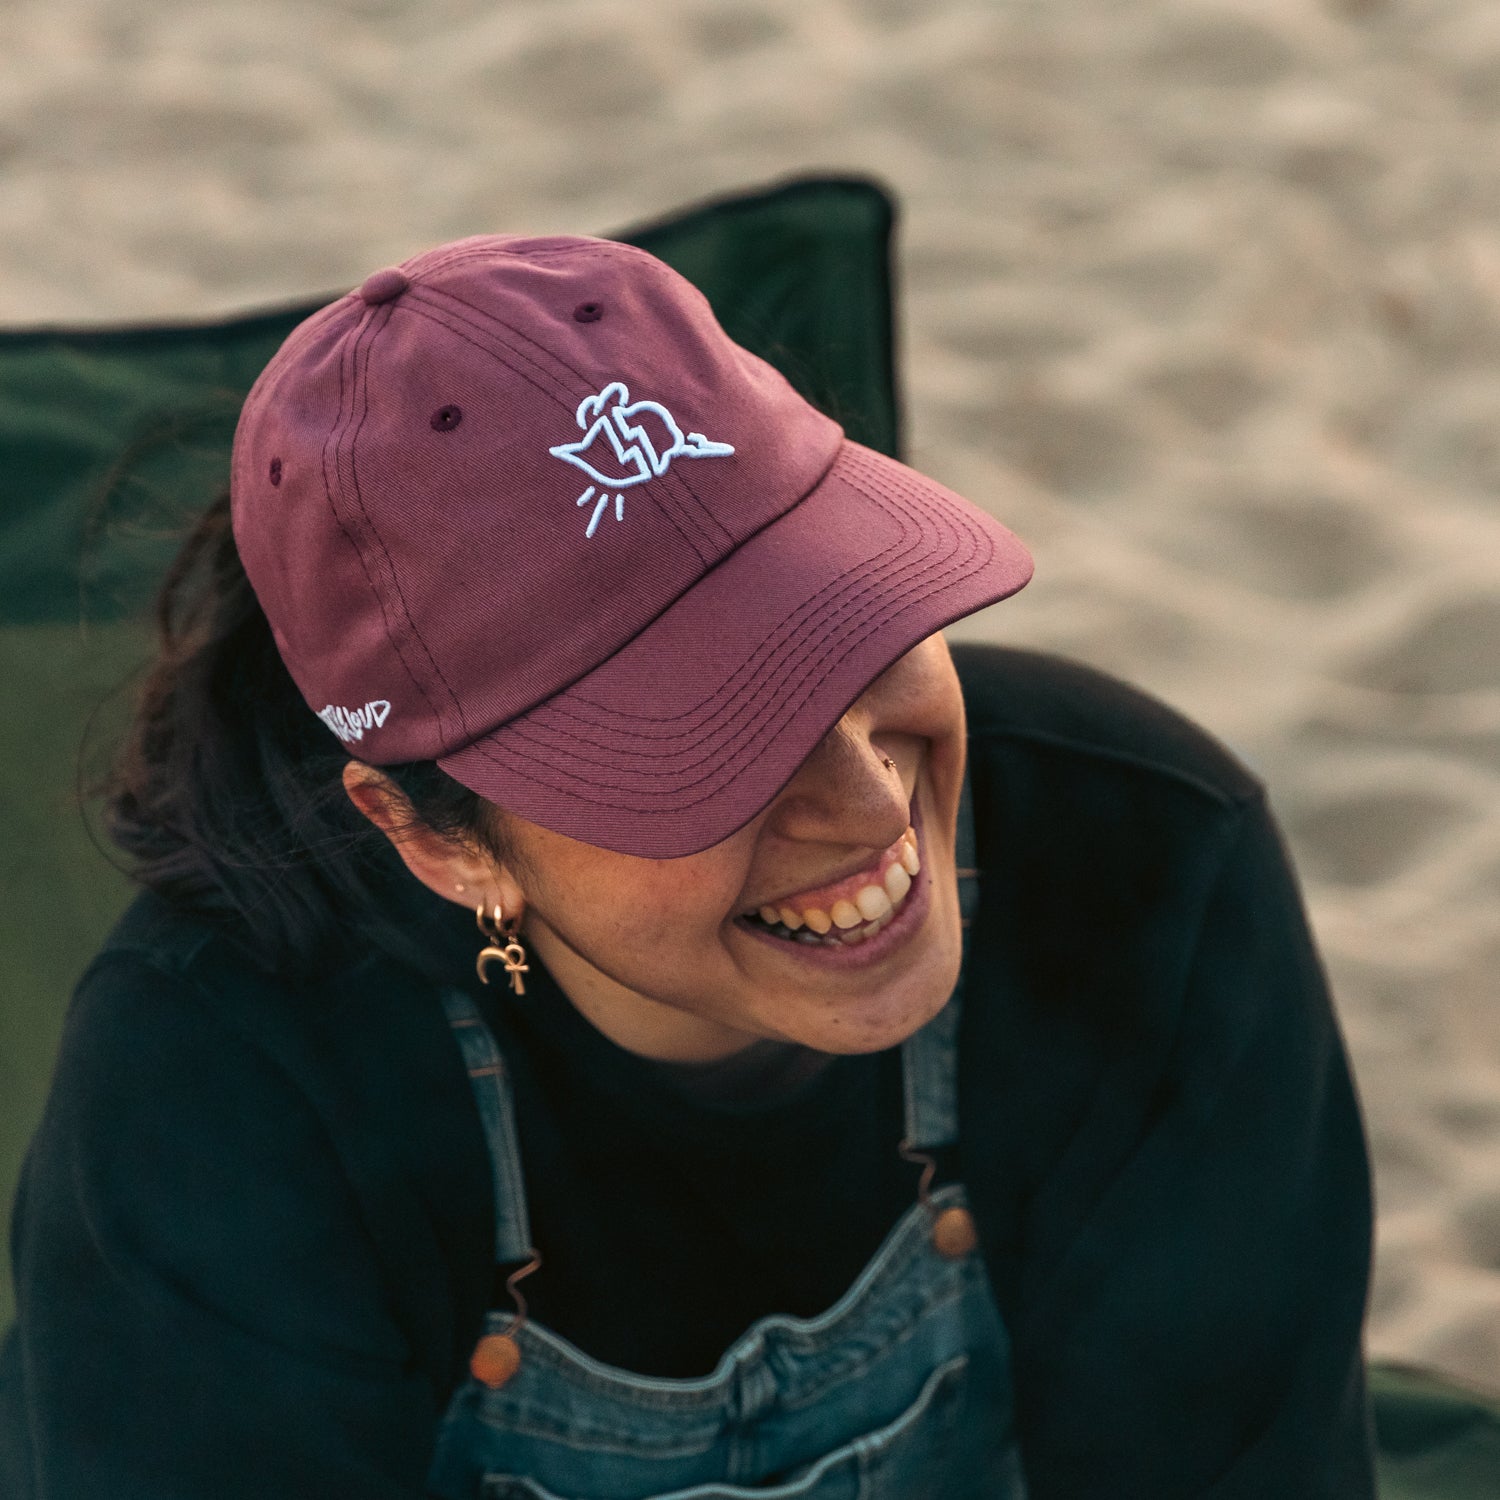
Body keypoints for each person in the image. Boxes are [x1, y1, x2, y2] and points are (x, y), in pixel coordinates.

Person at [0, 234, 1376, 1498]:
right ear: (432, 836)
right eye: (705, 745)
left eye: (847, 623)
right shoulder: (221, 1089)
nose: (865, 803)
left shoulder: (1140, 861)